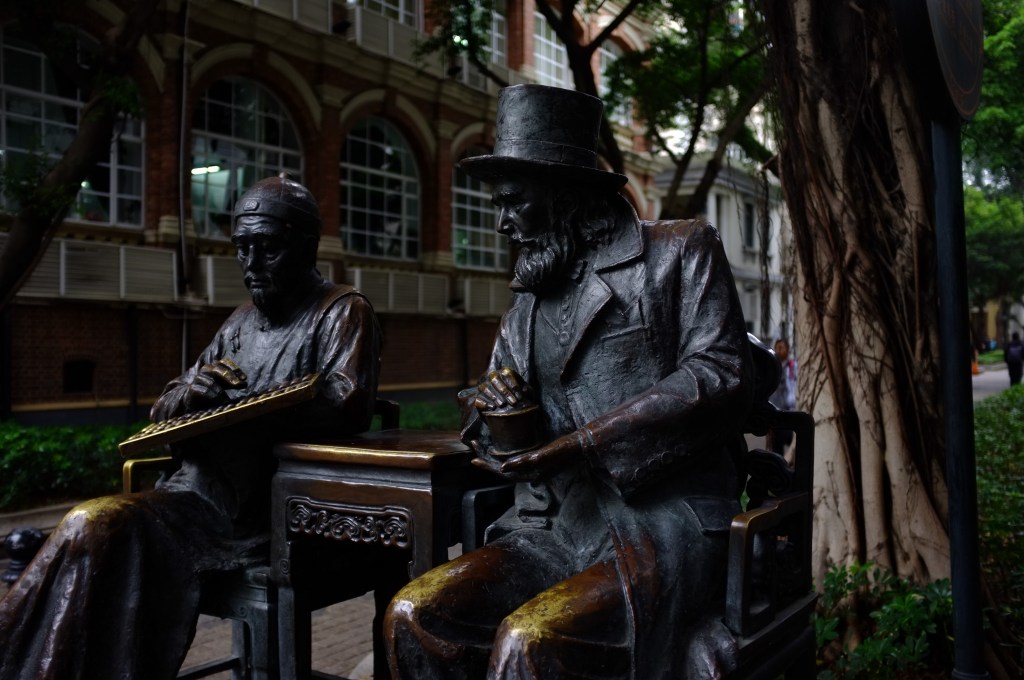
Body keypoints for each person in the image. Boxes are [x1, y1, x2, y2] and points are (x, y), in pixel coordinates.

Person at [385, 84, 753, 679]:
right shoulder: (530, 296)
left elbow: (722, 371)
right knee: (414, 615)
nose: (502, 223)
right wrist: (495, 409)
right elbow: (482, 406)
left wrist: (586, 442)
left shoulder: (679, 251)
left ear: (566, 195)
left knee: (528, 642)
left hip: (661, 523)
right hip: (549, 528)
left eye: (514, 202)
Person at [0, 175, 382, 680]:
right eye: (242, 248)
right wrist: (192, 394)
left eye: (267, 248)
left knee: (95, 526)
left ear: (307, 246)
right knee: (85, 531)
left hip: (257, 513)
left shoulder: (342, 311)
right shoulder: (240, 321)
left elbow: (347, 405)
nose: (251, 264)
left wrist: (249, 411)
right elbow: (170, 402)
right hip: (194, 495)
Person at [768, 338, 798, 454]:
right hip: (776, 416)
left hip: (792, 414)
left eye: (782, 347)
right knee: (777, 452)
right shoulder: (772, 369)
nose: (779, 350)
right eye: (777, 348)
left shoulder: (793, 367)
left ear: (788, 350)